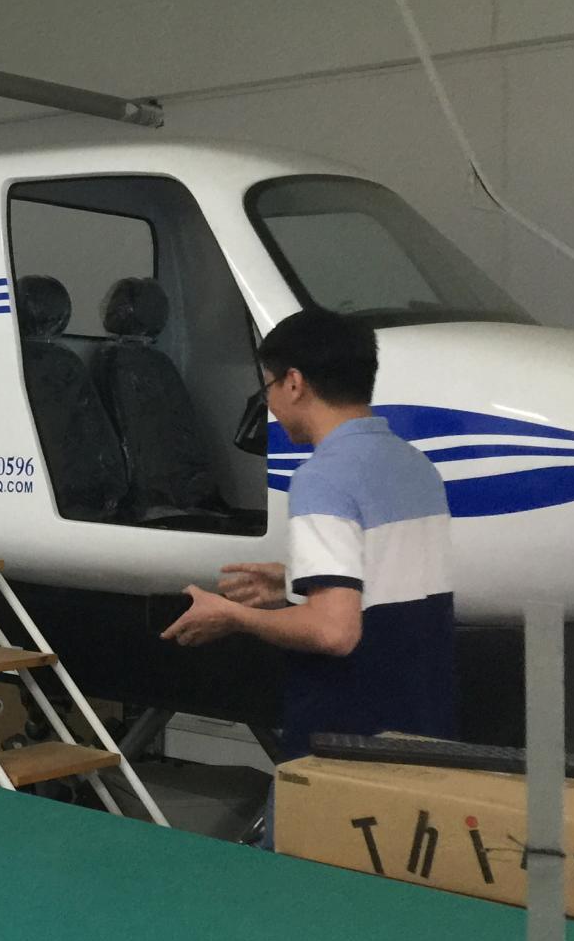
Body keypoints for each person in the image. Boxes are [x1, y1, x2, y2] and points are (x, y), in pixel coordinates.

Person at [162, 307, 456, 764]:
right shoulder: (416, 467)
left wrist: (233, 616)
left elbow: (333, 632)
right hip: (424, 725)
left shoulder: (322, 478)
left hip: (347, 739)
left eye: (269, 387)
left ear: (294, 383)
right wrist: (294, 580)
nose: (271, 405)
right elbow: (390, 579)